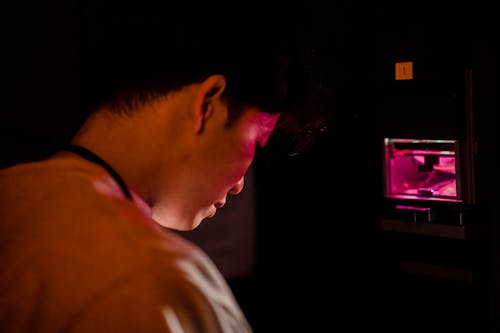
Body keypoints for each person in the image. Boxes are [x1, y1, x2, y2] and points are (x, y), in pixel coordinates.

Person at [0, 1, 326, 332]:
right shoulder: (155, 284)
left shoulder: (10, 202)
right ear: (208, 104)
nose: (240, 184)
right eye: (255, 140)